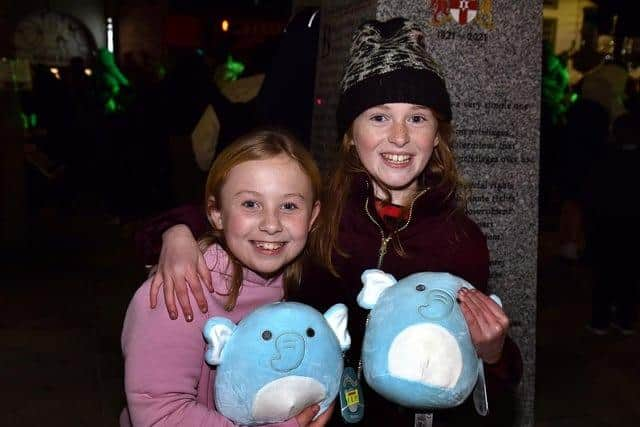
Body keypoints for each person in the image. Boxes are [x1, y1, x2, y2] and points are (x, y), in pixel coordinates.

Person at [149, 18, 523, 426]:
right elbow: (239, 212)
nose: (399, 137)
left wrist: (494, 350)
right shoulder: (319, 212)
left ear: (437, 135)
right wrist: (177, 233)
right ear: (351, 133)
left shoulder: (460, 238)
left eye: (417, 118)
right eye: (379, 117)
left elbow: (491, 371)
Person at [121, 129, 334, 426]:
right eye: (250, 204)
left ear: (312, 217)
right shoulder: (181, 290)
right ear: (216, 213)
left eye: (288, 206)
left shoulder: (293, 283)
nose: (271, 225)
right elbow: (160, 416)